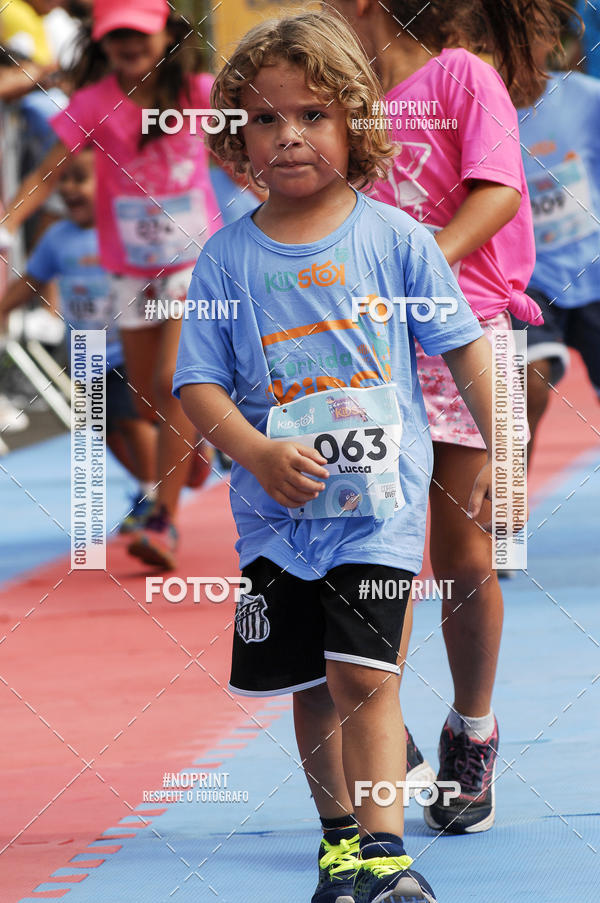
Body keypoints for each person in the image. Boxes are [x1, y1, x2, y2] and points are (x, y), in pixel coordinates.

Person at [174, 11, 500, 902]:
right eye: (265, 118)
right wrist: (255, 451)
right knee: (312, 682)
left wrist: (498, 445)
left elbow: (463, 345)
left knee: (365, 673)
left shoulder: (396, 240)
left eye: (312, 114)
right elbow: (198, 383)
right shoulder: (226, 258)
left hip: (377, 508)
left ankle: (387, 855)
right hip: (276, 520)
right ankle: (340, 841)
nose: (288, 135)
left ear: (356, 121)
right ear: (237, 136)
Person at [328, 0, 570, 835]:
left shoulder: (461, 77)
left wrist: (417, 266)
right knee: (371, 555)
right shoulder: (342, 102)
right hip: (366, 352)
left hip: (465, 337)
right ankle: (380, 722)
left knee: (464, 555)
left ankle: (474, 730)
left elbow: (498, 194)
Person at [0, 0, 221, 570]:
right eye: (116, 34)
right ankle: (191, 440)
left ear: (167, 34)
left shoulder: (198, 93)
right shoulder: (94, 103)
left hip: (193, 263)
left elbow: (240, 149)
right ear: (100, 41)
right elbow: (47, 171)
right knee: (148, 400)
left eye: (139, 32)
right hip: (128, 270)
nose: (128, 44)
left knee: (173, 381)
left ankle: (164, 519)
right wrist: (9, 223)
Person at [0, 146, 158, 527]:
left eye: (80, 179)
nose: (68, 188)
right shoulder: (57, 238)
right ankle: (146, 485)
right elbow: (32, 280)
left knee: (131, 419)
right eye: (64, 179)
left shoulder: (125, 231)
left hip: (126, 348)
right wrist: (4, 307)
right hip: (86, 353)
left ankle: (154, 495)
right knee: (102, 427)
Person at [513, 46, 600, 465]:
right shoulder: (475, 112)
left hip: (593, 269)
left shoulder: (588, 98)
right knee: (518, 389)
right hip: (522, 284)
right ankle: (506, 503)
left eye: (531, 27)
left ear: (549, 35)